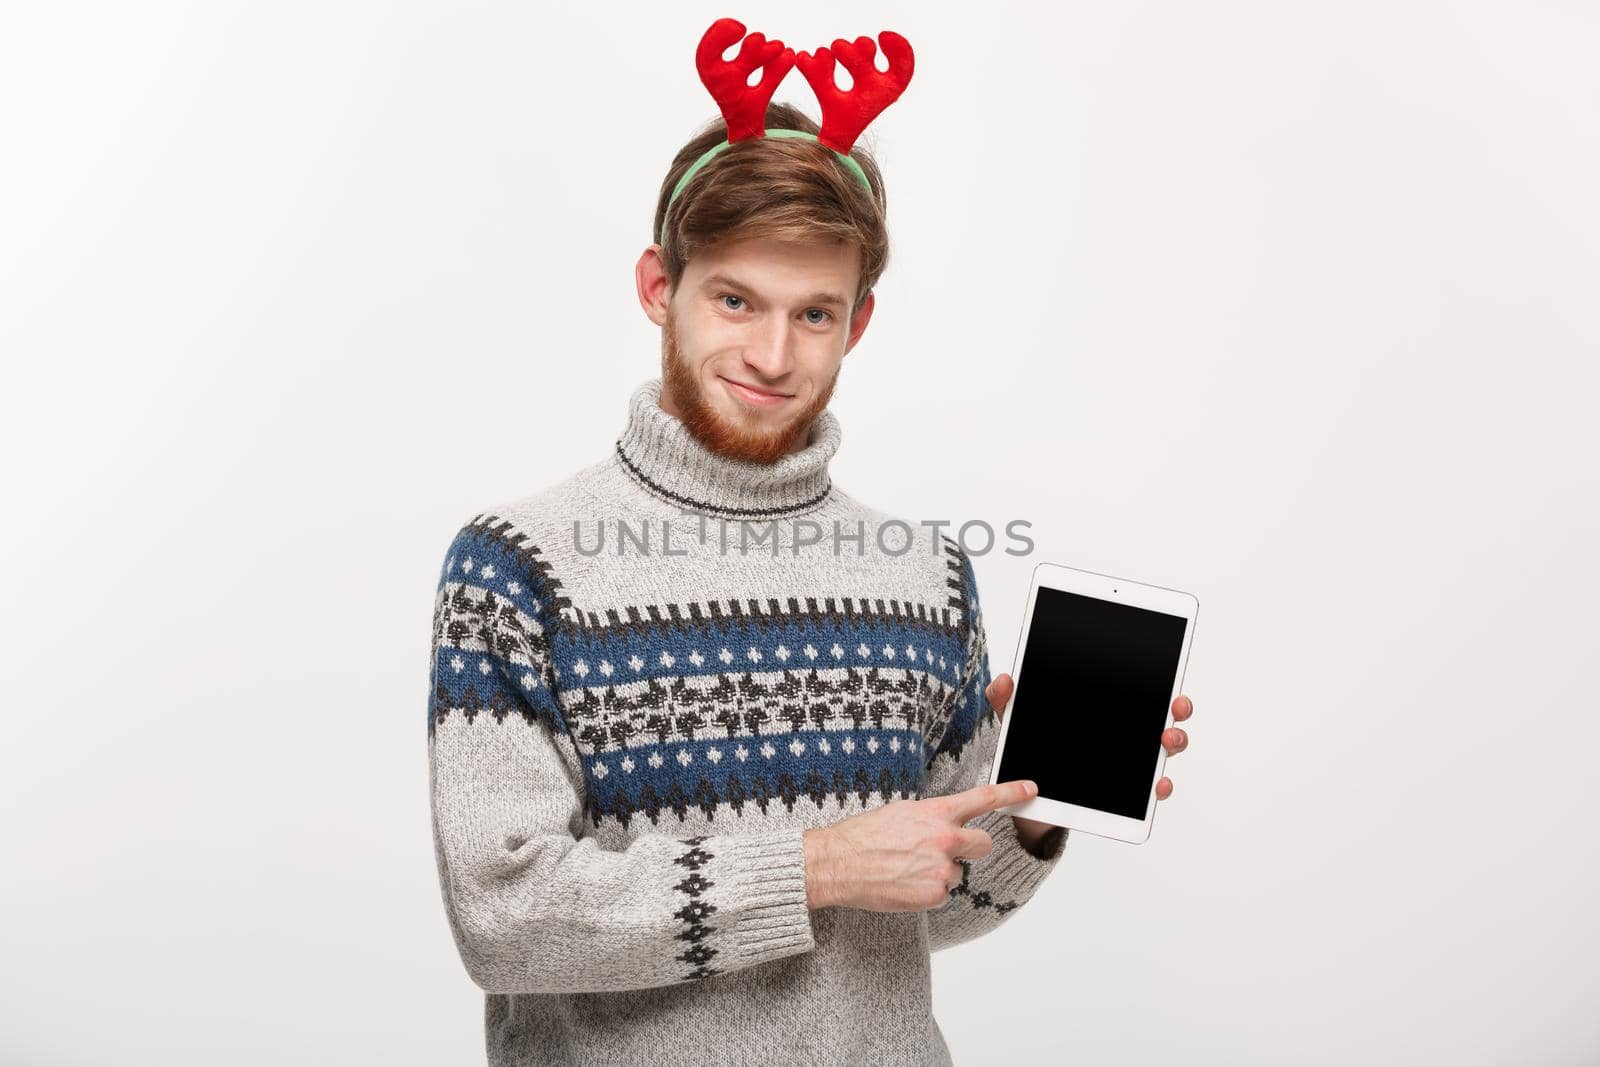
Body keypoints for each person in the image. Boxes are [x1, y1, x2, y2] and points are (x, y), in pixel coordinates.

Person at [426, 20, 1193, 1065]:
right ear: (661, 287)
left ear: (858, 323)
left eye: (815, 314)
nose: (773, 354)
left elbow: (931, 910)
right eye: (735, 299)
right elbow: (503, 917)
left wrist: (1032, 817)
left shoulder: (925, 575)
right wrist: (813, 864)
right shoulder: (521, 564)